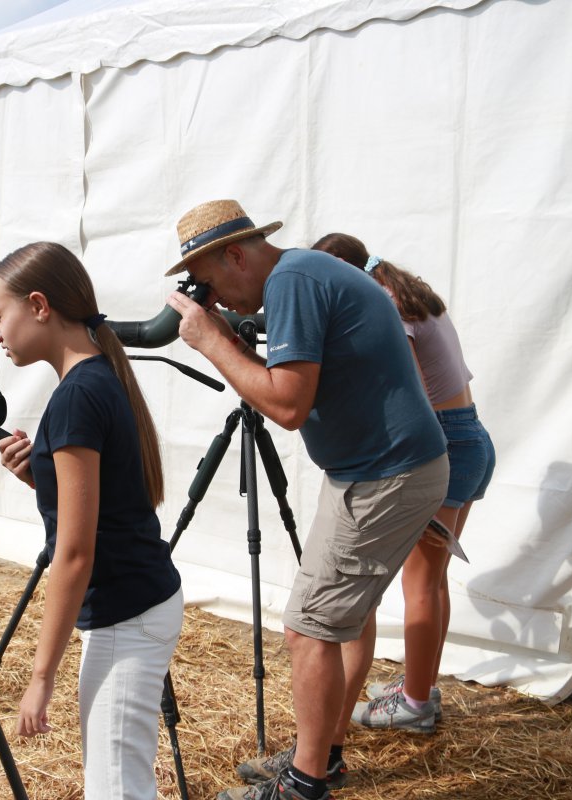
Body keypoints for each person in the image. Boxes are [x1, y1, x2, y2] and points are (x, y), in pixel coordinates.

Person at [163, 200, 449, 800]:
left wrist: (212, 342)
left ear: (236, 255)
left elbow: (288, 405)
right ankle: (325, 755)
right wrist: (225, 334)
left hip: (383, 474)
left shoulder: (292, 281)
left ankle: (305, 783)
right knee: (330, 622)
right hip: (372, 470)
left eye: (213, 282)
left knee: (309, 629)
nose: (220, 300)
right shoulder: (303, 275)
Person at [0, 241, 184, 799]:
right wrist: (40, 476)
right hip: (137, 602)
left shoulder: (76, 397)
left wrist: (39, 677)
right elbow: (108, 504)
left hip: (128, 611)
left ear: (41, 305)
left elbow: (75, 553)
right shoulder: (97, 377)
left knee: (116, 788)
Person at [311, 232, 496, 733]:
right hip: (470, 433)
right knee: (432, 581)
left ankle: (414, 705)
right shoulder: (408, 291)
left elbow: (409, 391)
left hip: (446, 444)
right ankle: (421, 686)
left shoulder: (388, 306)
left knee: (419, 584)